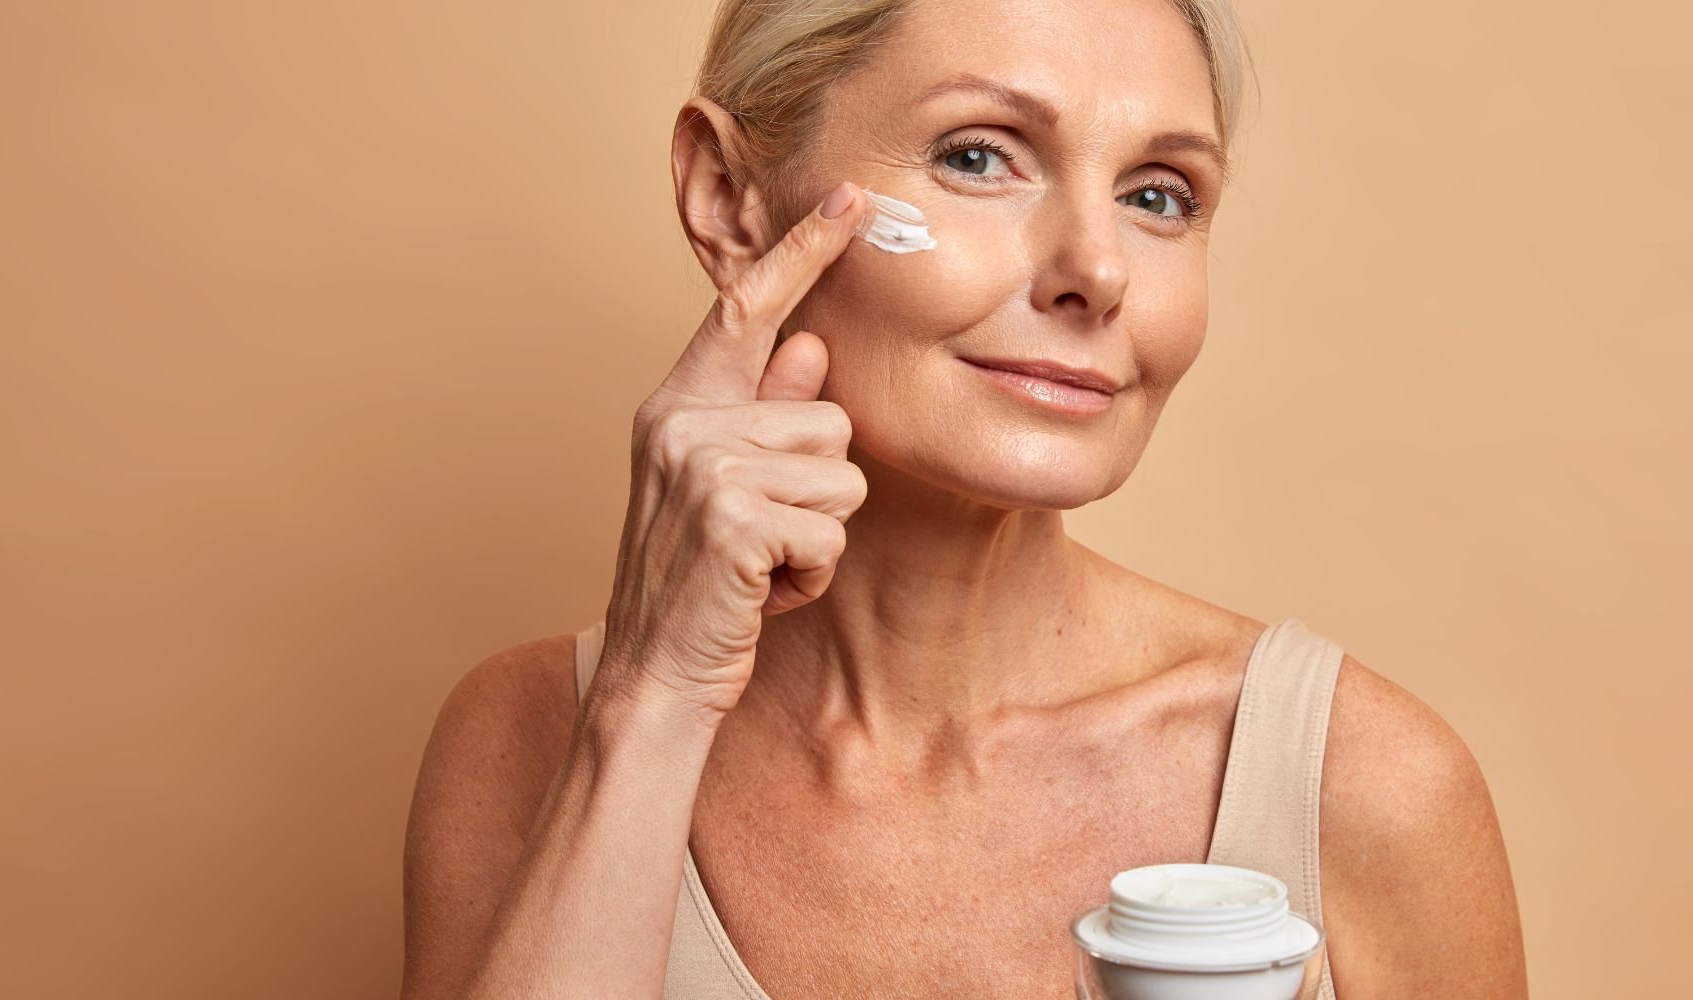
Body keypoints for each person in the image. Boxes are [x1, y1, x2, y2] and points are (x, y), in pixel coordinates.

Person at [400, 1, 1528, 997]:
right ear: (730, 196)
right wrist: (654, 701)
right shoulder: (526, 740)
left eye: (1158, 193)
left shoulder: (1366, 789)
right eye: (979, 157)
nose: (1099, 268)